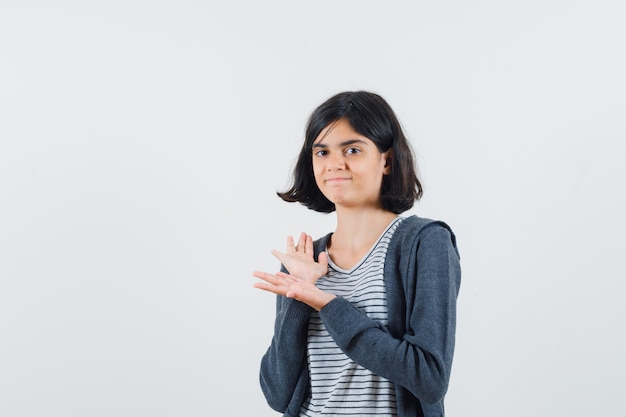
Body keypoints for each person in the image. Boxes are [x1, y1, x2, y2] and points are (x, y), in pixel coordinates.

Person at [252, 91, 461, 417]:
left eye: (352, 149)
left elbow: (429, 377)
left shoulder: (423, 243)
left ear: (387, 160)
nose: (335, 163)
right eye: (322, 152)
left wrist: (327, 304)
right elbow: (278, 394)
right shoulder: (304, 259)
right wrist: (298, 296)